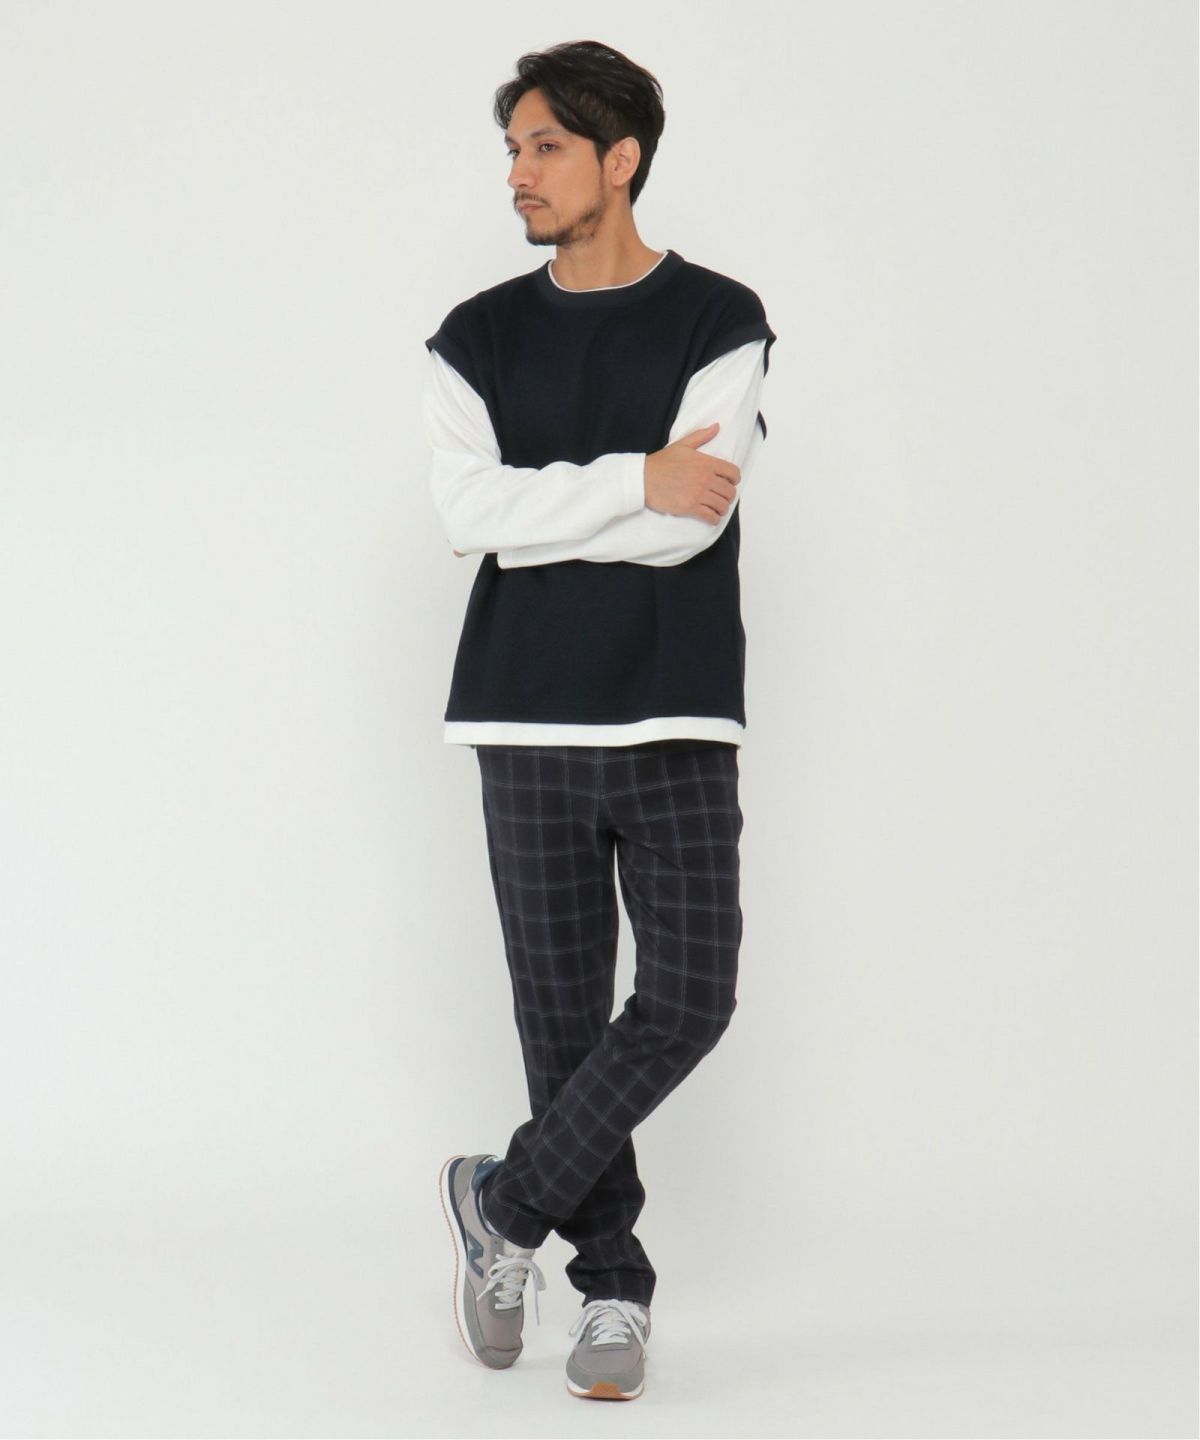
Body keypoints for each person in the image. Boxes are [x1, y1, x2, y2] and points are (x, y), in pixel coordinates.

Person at [426, 39, 776, 1402]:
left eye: (547, 147)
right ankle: (612, 1288)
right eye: (512, 148)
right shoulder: (475, 336)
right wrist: (635, 477)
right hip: (520, 717)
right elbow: (468, 516)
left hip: (673, 709)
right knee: (561, 1024)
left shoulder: (720, 319)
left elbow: (695, 529)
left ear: (620, 159)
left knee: (689, 997)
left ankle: (500, 1205)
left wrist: (555, 507)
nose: (518, 173)